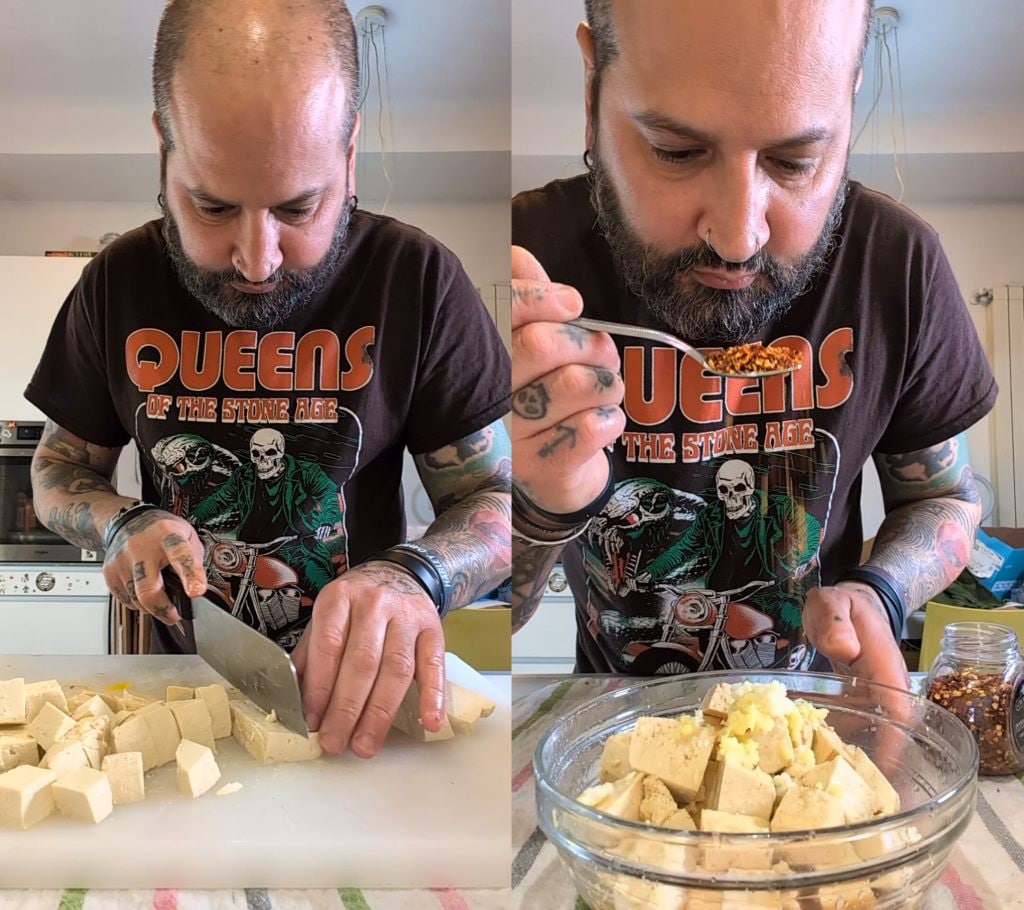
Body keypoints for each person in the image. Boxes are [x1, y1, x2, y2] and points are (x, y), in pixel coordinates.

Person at [27, 0, 511, 758]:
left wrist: (414, 575)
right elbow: (57, 469)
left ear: (350, 154)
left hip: (362, 704)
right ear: (164, 148)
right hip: (173, 703)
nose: (257, 259)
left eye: (298, 206)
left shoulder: (417, 281)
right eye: (212, 206)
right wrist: (120, 523)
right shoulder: (115, 283)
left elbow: (498, 501)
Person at [510, 0, 995, 689]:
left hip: (812, 731)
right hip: (610, 726)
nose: (739, 240)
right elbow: (494, 616)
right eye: (676, 152)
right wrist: (533, 505)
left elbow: (944, 499)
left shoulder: (897, 262)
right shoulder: (525, 260)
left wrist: (877, 595)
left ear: (853, 94)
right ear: (592, 86)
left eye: (795, 161)